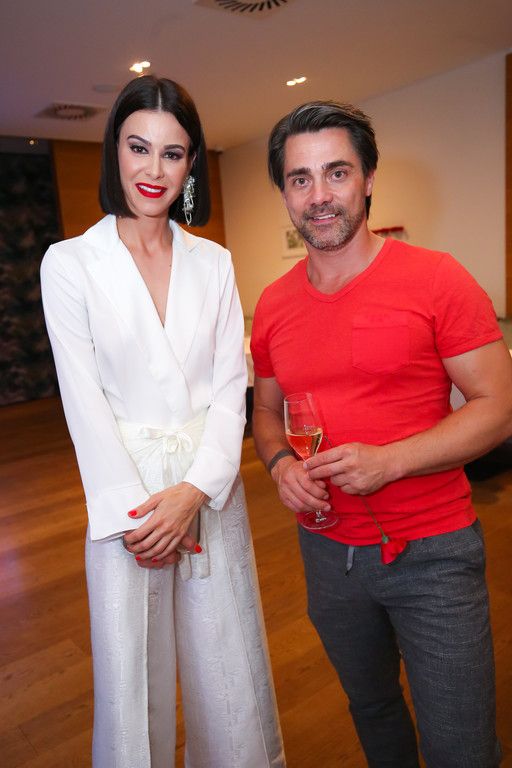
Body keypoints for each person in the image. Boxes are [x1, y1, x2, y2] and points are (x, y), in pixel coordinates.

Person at [250, 100, 512, 768]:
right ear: (285, 193)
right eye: (300, 178)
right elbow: (266, 412)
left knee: (461, 746)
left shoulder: (437, 278)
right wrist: (280, 466)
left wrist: (389, 462)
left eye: (336, 172)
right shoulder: (274, 304)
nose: (319, 194)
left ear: (368, 178)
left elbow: (499, 409)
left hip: (434, 552)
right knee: (372, 710)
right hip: (326, 553)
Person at [41, 75, 285, 768]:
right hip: (130, 506)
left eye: (172, 153)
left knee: (227, 668)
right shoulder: (70, 264)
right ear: (114, 150)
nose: (154, 169)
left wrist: (197, 491)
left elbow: (232, 388)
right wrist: (137, 515)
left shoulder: (215, 263)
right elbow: (82, 401)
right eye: (138, 147)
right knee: (132, 679)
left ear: (191, 163)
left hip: (206, 489)